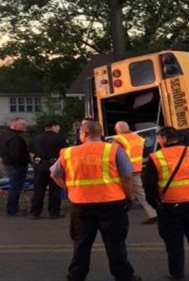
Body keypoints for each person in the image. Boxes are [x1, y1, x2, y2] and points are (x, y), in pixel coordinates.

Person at [50, 120, 141, 281]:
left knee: (82, 243)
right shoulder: (114, 150)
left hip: (81, 204)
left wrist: (70, 189)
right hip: (111, 203)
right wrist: (129, 196)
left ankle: (76, 276)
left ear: (84, 134)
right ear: (100, 134)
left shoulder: (69, 152)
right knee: (115, 243)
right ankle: (124, 276)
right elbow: (127, 176)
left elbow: (55, 174)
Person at [142, 126, 189, 280]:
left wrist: (155, 203)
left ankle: (177, 273)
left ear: (165, 139)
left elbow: (148, 184)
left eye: (159, 138)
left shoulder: (156, 157)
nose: (159, 141)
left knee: (173, 242)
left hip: (170, 206)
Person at [111, 121, 158, 225]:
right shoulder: (138, 138)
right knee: (140, 192)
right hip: (136, 168)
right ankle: (153, 213)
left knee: (117, 192)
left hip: (124, 170)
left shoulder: (118, 139)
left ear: (117, 130)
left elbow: (114, 155)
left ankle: (153, 214)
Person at [28, 119, 69, 219]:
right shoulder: (60, 138)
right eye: (58, 127)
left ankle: (35, 213)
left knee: (38, 189)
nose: (59, 129)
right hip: (54, 165)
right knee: (54, 189)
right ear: (54, 126)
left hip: (40, 165)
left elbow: (30, 149)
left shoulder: (37, 138)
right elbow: (66, 151)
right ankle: (54, 212)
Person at [0, 117, 31, 216]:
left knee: (14, 186)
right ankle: (13, 209)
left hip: (10, 164)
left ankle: (13, 208)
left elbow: (1, 151)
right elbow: (17, 154)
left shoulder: (4, 135)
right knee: (15, 187)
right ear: (15, 124)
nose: (25, 127)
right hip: (17, 165)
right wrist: (25, 161)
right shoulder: (16, 138)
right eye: (23, 125)